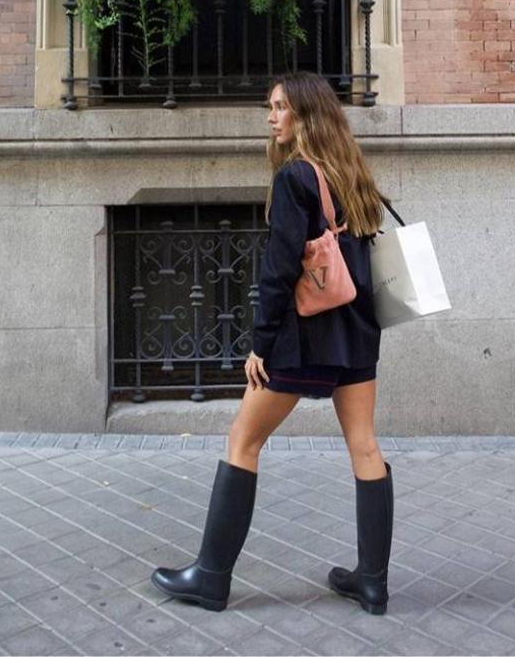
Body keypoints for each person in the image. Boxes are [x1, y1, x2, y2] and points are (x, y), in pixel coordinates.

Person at [151, 71, 393, 615]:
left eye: (281, 107)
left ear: (306, 114)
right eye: (271, 107)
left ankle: (210, 578)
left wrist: (260, 343)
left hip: (304, 339)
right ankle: (373, 584)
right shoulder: (351, 173)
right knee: (366, 447)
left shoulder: (294, 179)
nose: (271, 116)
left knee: (243, 440)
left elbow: (280, 269)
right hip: (356, 336)